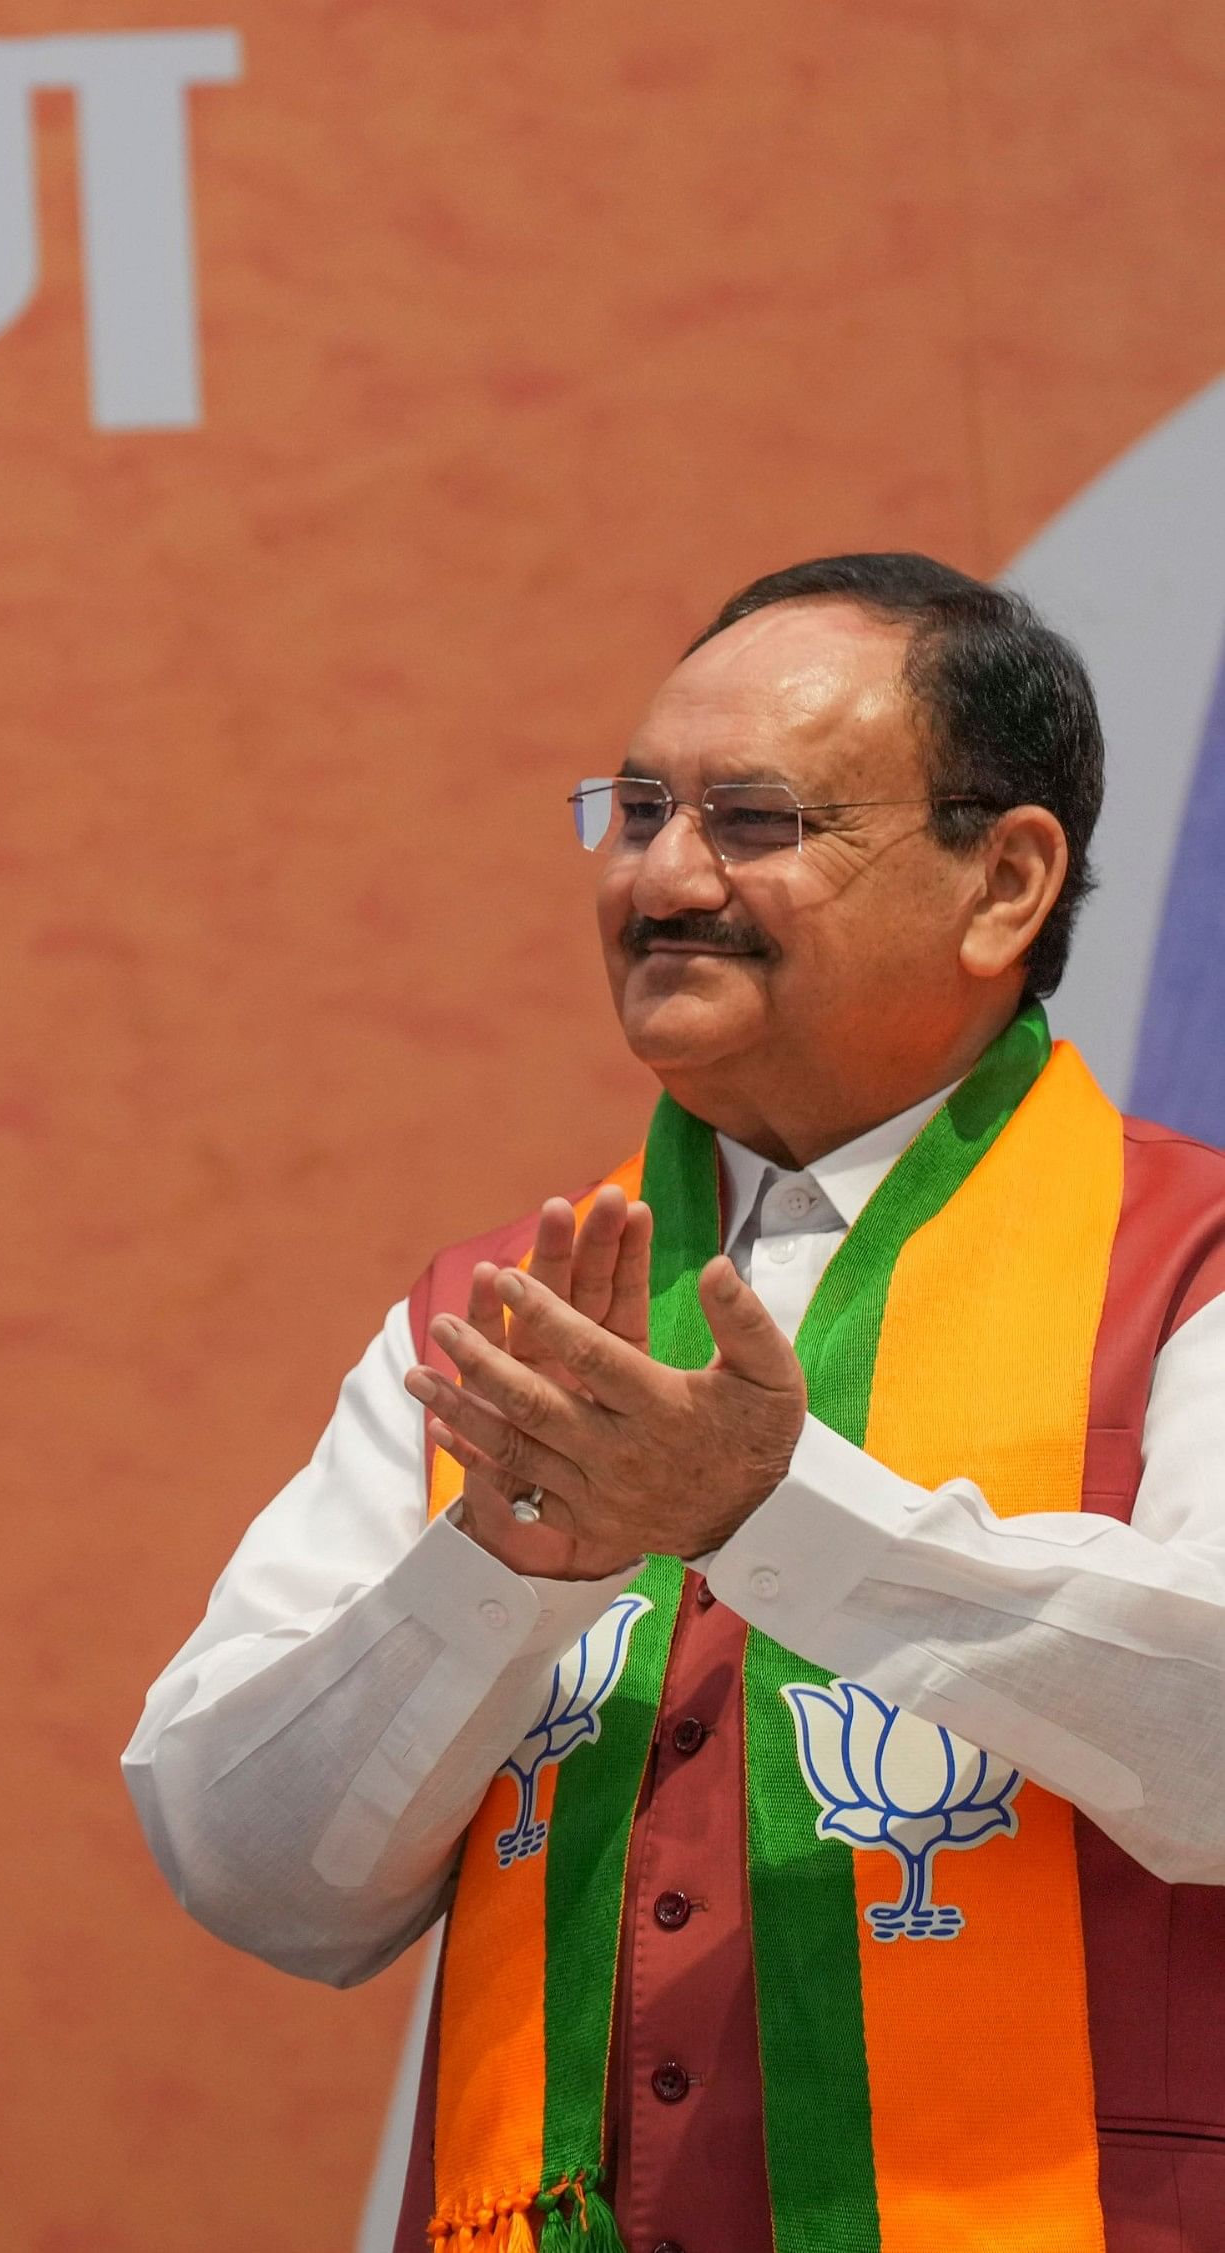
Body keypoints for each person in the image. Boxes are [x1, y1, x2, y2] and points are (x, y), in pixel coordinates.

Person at [126, 554, 1225, 2247]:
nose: (663, 876)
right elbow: (257, 1870)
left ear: (1004, 881)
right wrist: (488, 1567)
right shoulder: (501, 1319)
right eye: (636, 809)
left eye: (755, 818)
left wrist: (773, 1518)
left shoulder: (1190, 1266)